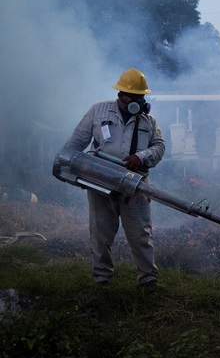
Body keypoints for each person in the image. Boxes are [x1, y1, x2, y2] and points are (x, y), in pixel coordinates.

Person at [55, 68, 165, 287]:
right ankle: (102, 280)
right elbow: (76, 142)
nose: (138, 101)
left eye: (141, 97)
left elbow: (159, 146)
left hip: (135, 185)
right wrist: (64, 162)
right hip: (101, 180)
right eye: (133, 97)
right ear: (121, 95)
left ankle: (148, 280)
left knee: (140, 233)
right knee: (100, 232)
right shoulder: (98, 112)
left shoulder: (148, 121)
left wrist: (141, 157)